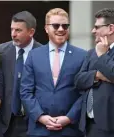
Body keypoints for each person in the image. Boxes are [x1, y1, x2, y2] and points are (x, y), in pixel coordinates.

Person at [20, 8, 86, 137]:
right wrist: (41, 117)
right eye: (56, 25)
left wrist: (69, 118)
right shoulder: (34, 55)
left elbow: (84, 93)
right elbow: (25, 91)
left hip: (70, 130)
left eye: (65, 25)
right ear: (46, 28)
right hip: (39, 129)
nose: (61, 29)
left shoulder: (82, 56)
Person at [0, 11, 42, 137]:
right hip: (6, 123)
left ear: (31, 32)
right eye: (12, 29)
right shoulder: (0, 52)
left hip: (33, 122)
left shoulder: (43, 54)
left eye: (18, 30)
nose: (13, 34)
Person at [75, 8, 114, 137]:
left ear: (111, 28)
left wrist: (102, 55)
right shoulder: (92, 52)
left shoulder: (99, 52)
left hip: (109, 125)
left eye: (97, 27)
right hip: (88, 124)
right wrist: (97, 75)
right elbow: (78, 80)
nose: (93, 31)